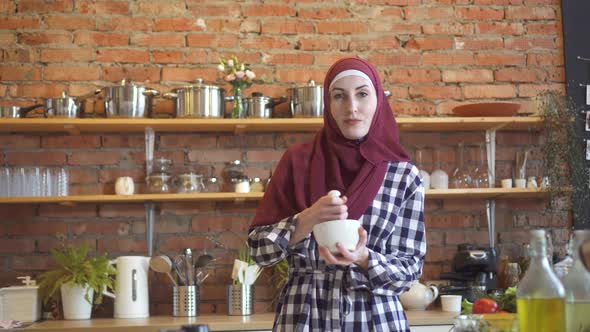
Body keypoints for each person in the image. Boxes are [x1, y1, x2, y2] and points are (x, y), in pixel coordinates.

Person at [248, 57, 426, 332]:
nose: (351, 107)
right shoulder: (297, 162)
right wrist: (305, 220)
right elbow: (259, 253)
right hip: (303, 316)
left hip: (374, 319)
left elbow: (408, 273)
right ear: (328, 105)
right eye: (339, 96)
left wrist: (365, 257)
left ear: (378, 101)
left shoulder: (403, 176)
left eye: (362, 94)